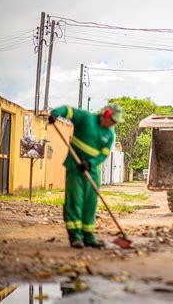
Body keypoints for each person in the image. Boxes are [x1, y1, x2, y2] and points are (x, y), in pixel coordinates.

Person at [48, 104, 124, 248]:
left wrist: (90, 164)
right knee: (75, 202)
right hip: (75, 169)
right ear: (106, 114)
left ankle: (88, 236)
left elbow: (103, 154)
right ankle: (75, 236)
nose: (114, 124)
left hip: (91, 171)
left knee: (90, 205)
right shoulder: (85, 119)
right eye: (113, 121)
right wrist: (55, 114)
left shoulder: (110, 135)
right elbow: (68, 110)